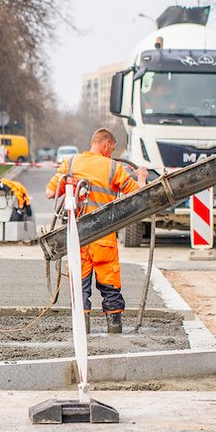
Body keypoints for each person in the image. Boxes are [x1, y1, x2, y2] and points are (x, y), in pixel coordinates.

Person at [45, 127, 148, 334]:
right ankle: (114, 330)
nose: (111, 152)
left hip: (77, 237)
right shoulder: (113, 168)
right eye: (112, 148)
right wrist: (142, 177)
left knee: (80, 287)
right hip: (104, 237)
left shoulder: (70, 163)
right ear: (106, 144)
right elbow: (139, 195)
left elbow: (50, 193)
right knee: (110, 287)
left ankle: (83, 333)